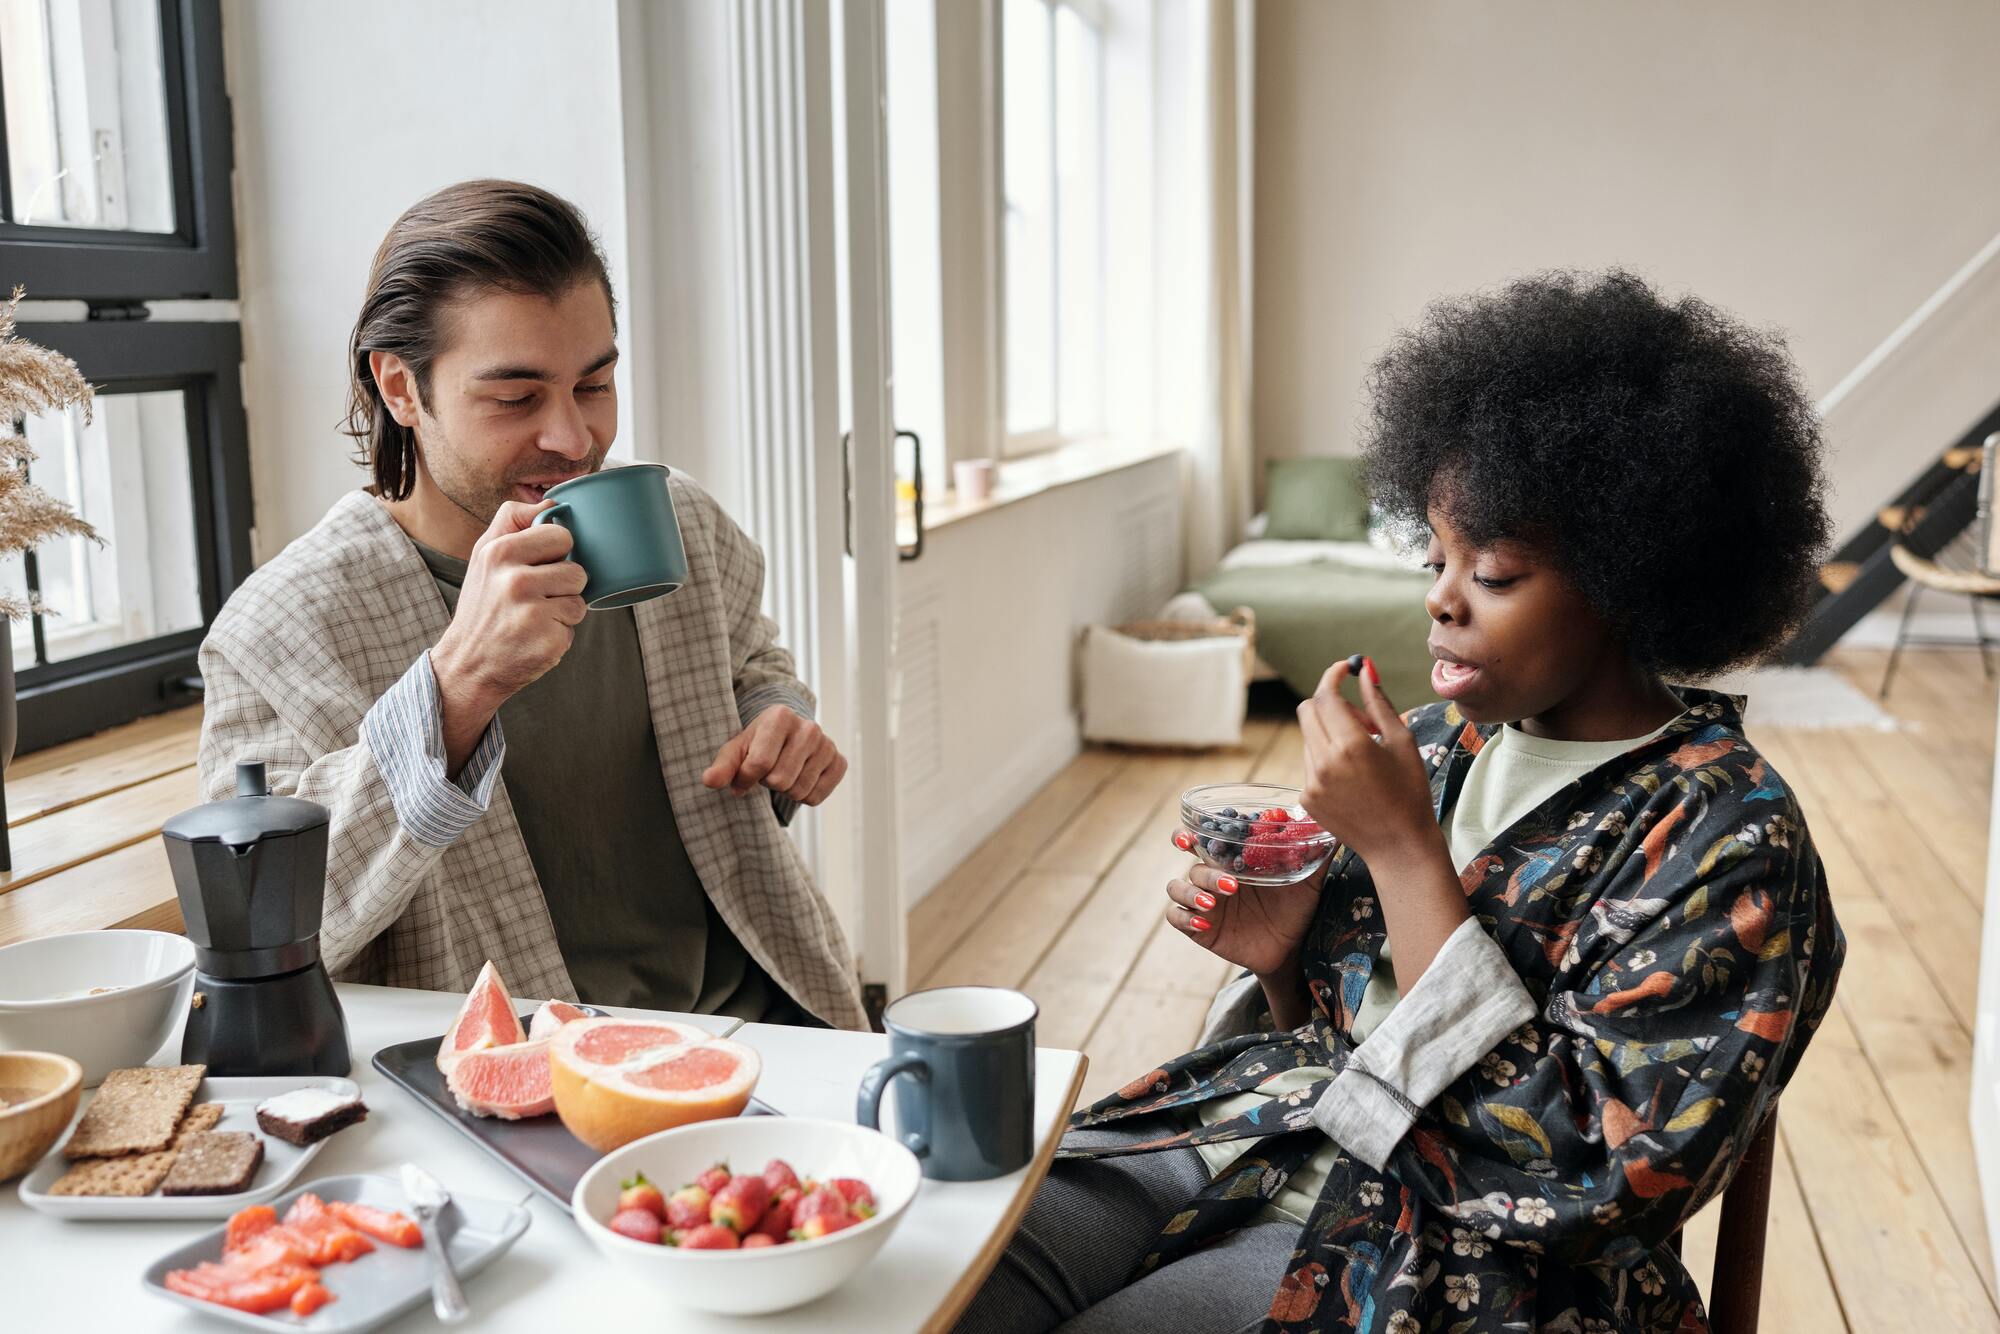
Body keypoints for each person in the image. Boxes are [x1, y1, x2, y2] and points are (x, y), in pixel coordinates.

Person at [959, 269, 1844, 1332]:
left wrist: (1401, 855)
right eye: (1434, 555)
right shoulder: (1430, 744)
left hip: (1445, 1259)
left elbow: (1593, 1179)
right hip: (1261, 1140)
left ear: (1629, 576)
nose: (1438, 595)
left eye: (1497, 571)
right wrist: (1283, 961)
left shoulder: (1727, 834)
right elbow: (1342, 1038)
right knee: (939, 1268)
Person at [196, 180, 865, 1029]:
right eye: (515, 398)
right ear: (401, 388)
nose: (574, 439)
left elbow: (750, 662)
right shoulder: (280, 629)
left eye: (594, 385)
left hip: (771, 1021)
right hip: (512, 1081)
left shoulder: (678, 521)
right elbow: (256, 928)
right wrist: (458, 686)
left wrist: (779, 720)